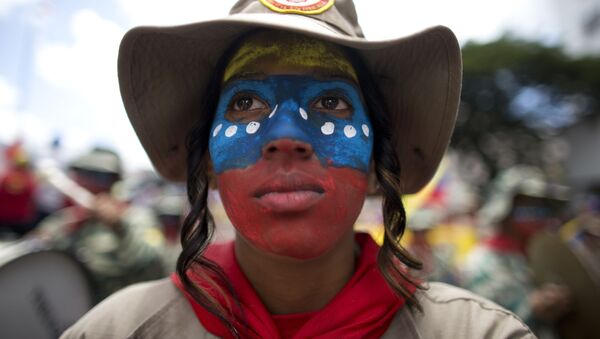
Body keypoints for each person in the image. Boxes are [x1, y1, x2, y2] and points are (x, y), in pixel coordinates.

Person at [62, 0, 534, 338]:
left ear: (377, 164)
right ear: (206, 157)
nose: (285, 135)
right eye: (245, 103)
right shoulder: (116, 329)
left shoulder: (479, 332)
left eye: (331, 102)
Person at [35, 147, 166, 302]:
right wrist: (66, 230)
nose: (89, 183)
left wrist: (119, 227)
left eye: (101, 177)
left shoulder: (136, 218)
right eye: (83, 175)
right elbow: (35, 248)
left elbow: (154, 268)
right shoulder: (69, 217)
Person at [461, 166, 572, 338]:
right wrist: (532, 309)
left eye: (542, 210)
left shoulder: (538, 256)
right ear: (505, 212)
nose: (538, 218)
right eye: (528, 210)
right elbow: (483, 325)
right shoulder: (481, 263)